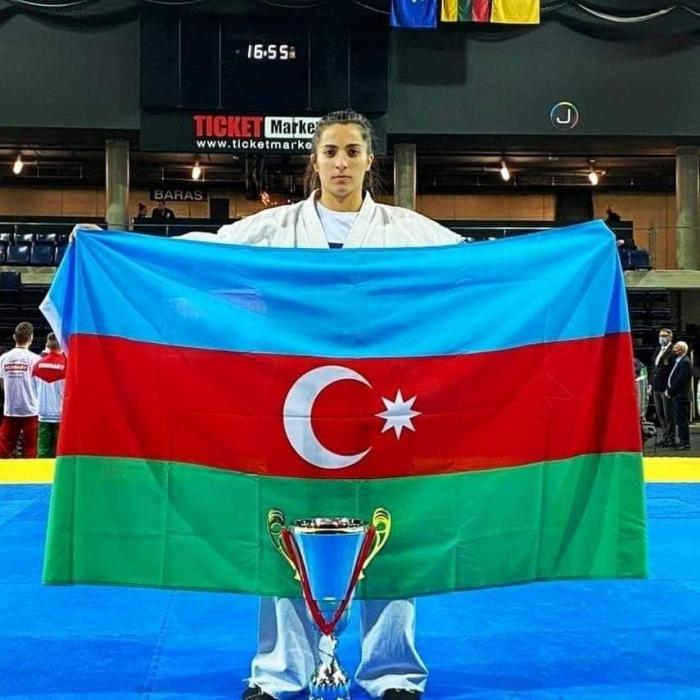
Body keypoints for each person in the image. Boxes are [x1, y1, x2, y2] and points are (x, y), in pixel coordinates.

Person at [182, 110, 463, 700]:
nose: (341, 163)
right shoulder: (274, 229)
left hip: (386, 411)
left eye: (352, 151)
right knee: (284, 539)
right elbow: (201, 254)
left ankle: (393, 673)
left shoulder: (406, 231)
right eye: (330, 152)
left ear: (369, 160)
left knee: (390, 541)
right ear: (314, 160)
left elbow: (479, 268)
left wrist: (568, 253)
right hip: (292, 412)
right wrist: (112, 248)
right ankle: (278, 673)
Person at [0, 322, 40, 458]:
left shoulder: (3, 359)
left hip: (11, 409)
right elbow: (39, 385)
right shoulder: (36, 359)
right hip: (31, 409)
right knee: (31, 450)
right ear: (31, 338)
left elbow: (2, 383)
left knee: (4, 449)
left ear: (14, 337)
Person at [32, 333, 67, 458]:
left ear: (47, 344)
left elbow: (33, 389)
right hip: (61, 415)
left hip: (43, 413)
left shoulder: (37, 365)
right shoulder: (67, 364)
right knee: (61, 453)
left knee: (43, 452)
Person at [665, 340, 693, 451]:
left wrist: (670, 391)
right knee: (679, 420)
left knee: (682, 421)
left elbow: (680, 380)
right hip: (677, 395)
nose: (673, 349)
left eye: (675, 348)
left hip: (681, 396)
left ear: (681, 350)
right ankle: (682, 441)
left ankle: (685, 443)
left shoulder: (685, 362)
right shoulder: (678, 360)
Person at [650, 328, 675, 446]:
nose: (662, 338)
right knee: (660, 414)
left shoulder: (673, 351)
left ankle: (671, 439)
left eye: (664, 336)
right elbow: (653, 368)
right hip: (656, 386)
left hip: (665, 387)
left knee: (668, 414)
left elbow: (673, 371)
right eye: (660, 335)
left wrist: (669, 388)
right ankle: (665, 437)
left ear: (670, 337)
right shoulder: (658, 349)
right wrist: (650, 384)